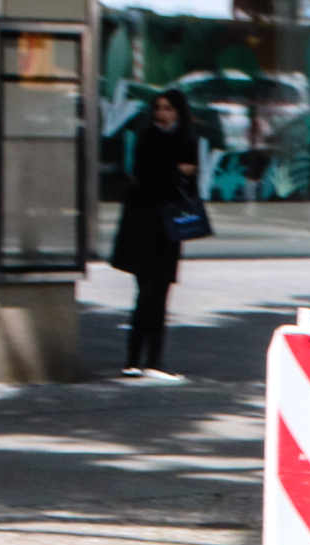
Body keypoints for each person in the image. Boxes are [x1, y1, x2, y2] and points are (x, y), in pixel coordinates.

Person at [110, 90, 201, 382]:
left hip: (170, 227)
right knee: (146, 292)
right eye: (159, 108)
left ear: (179, 112)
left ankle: (154, 360)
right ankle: (133, 359)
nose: (163, 114)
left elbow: (192, 183)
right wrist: (176, 172)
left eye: (169, 109)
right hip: (144, 225)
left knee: (162, 293)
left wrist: (183, 177)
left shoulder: (188, 140)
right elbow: (144, 178)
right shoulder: (147, 137)